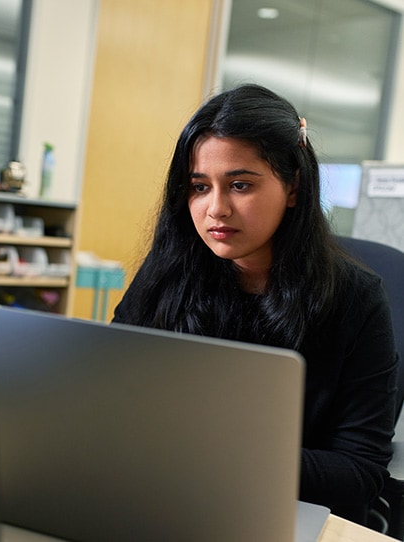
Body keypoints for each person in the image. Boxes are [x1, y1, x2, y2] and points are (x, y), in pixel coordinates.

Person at [113, 84, 398, 525]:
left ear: (293, 187)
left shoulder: (356, 299)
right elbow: (113, 395)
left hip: (289, 512)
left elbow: (360, 471)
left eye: (240, 185)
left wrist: (223, 457)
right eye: (199, 187)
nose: (215, 209)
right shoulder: (169, 272)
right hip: (170, 498)